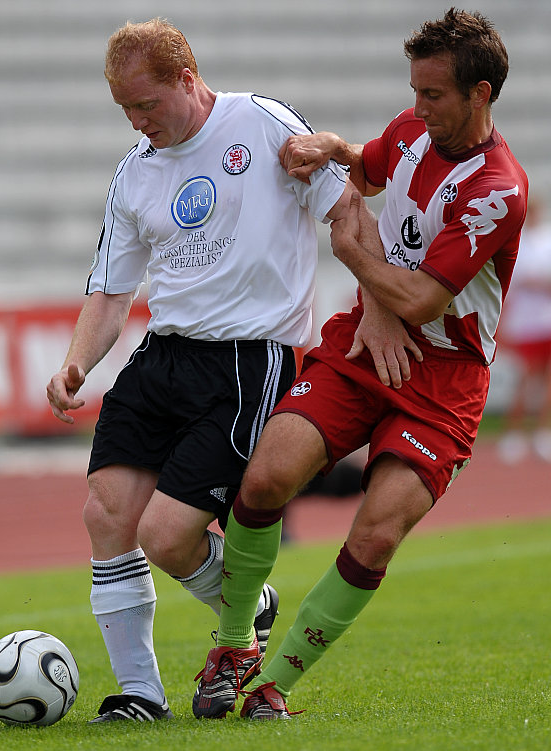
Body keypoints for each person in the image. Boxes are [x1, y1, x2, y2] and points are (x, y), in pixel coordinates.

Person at [193, 7, 528, 721]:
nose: (416, 108)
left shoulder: (496, 188)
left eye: (432, 94)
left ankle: (274, 687)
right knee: (267, 475)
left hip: (443, 377)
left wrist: (351, 254)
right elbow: (368, 165)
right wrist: (330, 147)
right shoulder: (413, 132)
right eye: (414, 91)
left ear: (481, 95)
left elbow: (424, 299)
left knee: (376, 532)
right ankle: (234, 644)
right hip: (360, 347)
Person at [45, 18, 369, 723]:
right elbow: (110, 289)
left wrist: (379, 304)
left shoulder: (260, 125)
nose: (137, 121)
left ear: (186, 79)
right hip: (163, 355)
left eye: (146, 104)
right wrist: (76, 363)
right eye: (125, 110)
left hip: (248, 360)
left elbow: (345, 207)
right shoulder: (136, 169)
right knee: (105, 511)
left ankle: (241, 601)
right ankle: (140, 693)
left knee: (167, 535)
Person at [496, 196, 551, 463]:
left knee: (547, 380)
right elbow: (511, 282)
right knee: (525, 378)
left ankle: (543, 432)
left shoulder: (547, 240)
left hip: (547, 320)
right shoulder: (516, 241)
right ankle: (514, 433)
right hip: (526, 322)